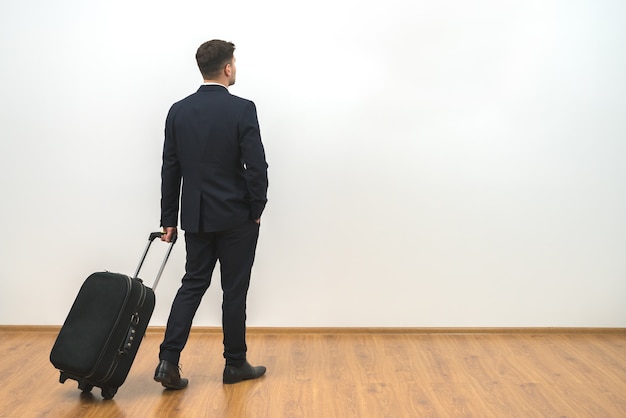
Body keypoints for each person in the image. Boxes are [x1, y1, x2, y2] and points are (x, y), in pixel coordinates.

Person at [154, 39, 269, 388]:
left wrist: (168, 219)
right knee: (234, 291)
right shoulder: (243, 109)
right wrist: (257, 207)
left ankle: (167, 362)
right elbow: (256, 165)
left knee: (191, 285)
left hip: (197, 217)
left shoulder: (178, 110)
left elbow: (170, 168)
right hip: (237, 217)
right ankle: (234, 364)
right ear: (228, 68)